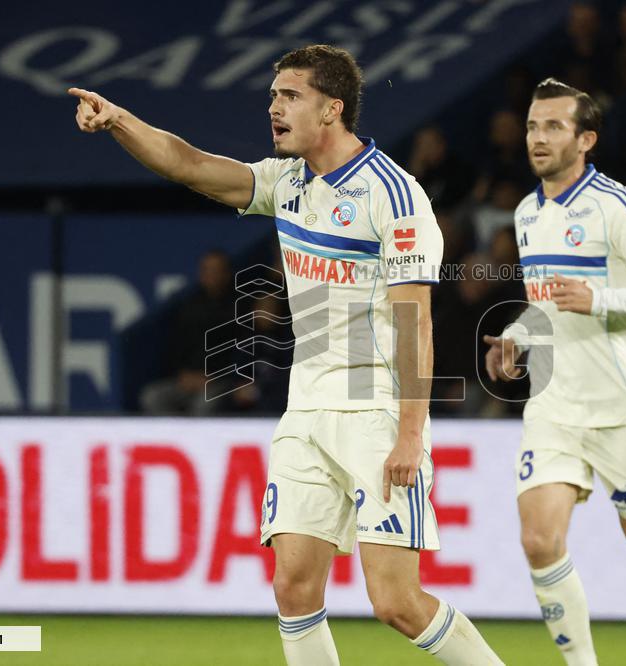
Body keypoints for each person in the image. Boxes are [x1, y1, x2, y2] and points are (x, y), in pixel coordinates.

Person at [69, 44, 502, 666]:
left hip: (375, 410)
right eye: (274, 95)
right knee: (293, 589)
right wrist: (120, 121)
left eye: (290, 95)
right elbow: (190, 165)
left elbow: (416, 323)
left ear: (332, 109)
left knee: (396, 603)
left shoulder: (394, 196)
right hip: (306, 409)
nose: (274, 107)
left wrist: (411, 433)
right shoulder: (286, 182)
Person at [482, 78, 626, 666]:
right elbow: (545, 304)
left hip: (620, 409)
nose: (537, 138)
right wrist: (516, 338)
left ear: (585, 139)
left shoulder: (617, 204)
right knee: (539, 541)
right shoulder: (527, 213)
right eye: (532, 126)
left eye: (553, 126)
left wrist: (602, 300)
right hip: (553, 407)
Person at [139, 250, 237, 415]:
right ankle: (173, 432)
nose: (212, 275)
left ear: (227, 273)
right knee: (152, 396)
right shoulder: (188, 307)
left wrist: (214, 378)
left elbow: (241, 352)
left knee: (204, 403)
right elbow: (175, 349)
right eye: (207, 270)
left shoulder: (240, 307)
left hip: (222, 382)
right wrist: (183, 375)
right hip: (188, 380)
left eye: (217, 270)